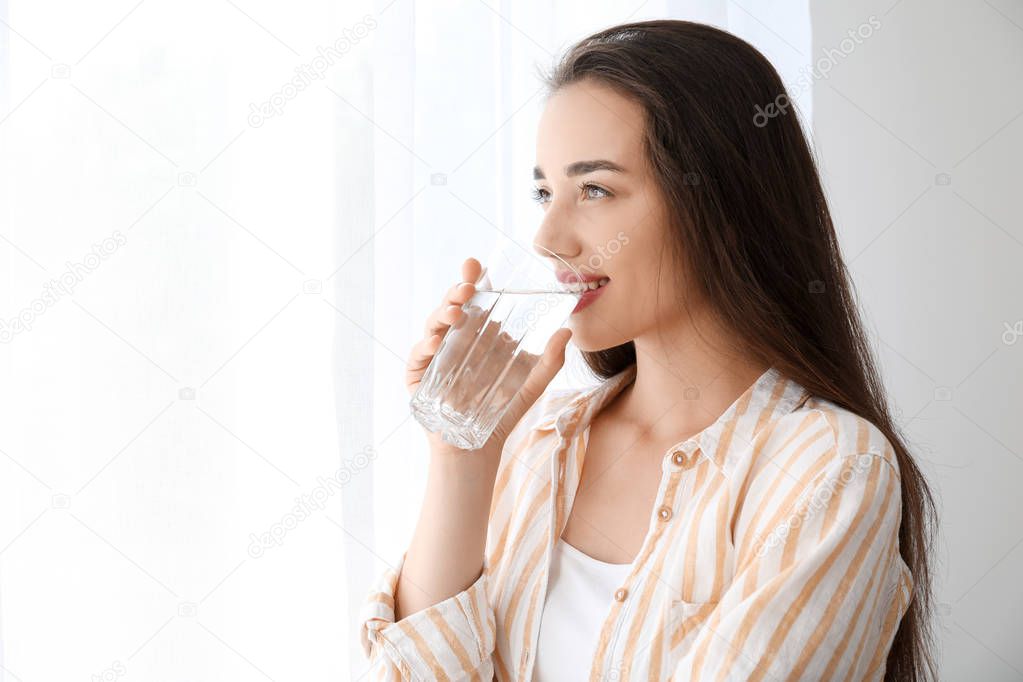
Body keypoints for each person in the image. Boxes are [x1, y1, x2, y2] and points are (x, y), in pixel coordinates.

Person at [360, 19, 937, 682]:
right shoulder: (537, 443)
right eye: (544, 192)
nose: (549, 236)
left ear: (720, 203)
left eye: (595, 190)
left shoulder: (828, 469)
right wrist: (463, 454)